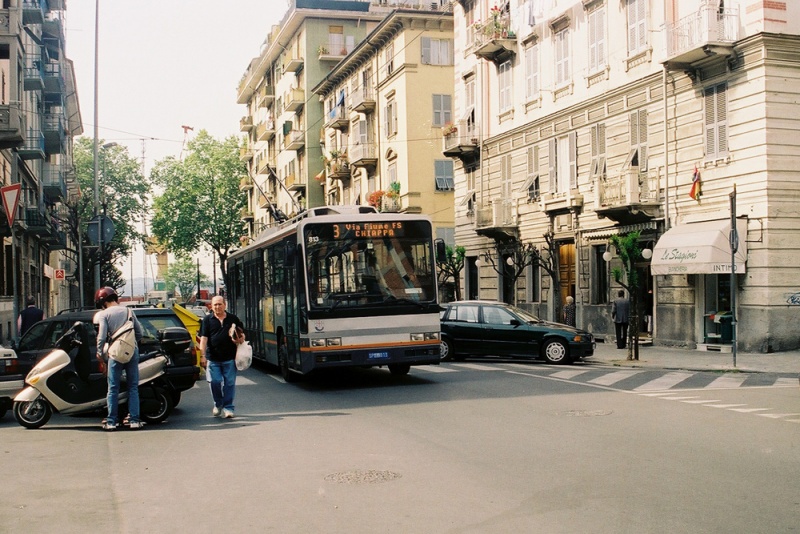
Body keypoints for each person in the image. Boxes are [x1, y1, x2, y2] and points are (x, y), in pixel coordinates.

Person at [94, 287, 144, 431]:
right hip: (131, 351)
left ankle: (112, 421)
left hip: (115, 353)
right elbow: (139, 332)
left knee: (113, 388)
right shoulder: (129, 311)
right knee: (133, 387)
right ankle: (134, 420)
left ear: (102, 301)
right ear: (115, 298)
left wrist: (99, 352)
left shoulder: (104, 314)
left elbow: (102, 336)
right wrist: (132, 345)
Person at [198, 295, 245, 419]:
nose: (217, 307)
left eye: (219, 304)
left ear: (225, 305)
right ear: (211, 307)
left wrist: (239, 338)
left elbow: (241, 335)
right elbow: (203, 339)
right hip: (213, 358)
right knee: (214, 382)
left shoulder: (233, 319)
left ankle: (228, 407)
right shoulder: (207, 320)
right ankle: (218, 404)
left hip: (230, 358)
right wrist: (202, 355)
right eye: (215, 305)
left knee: (229, 383)